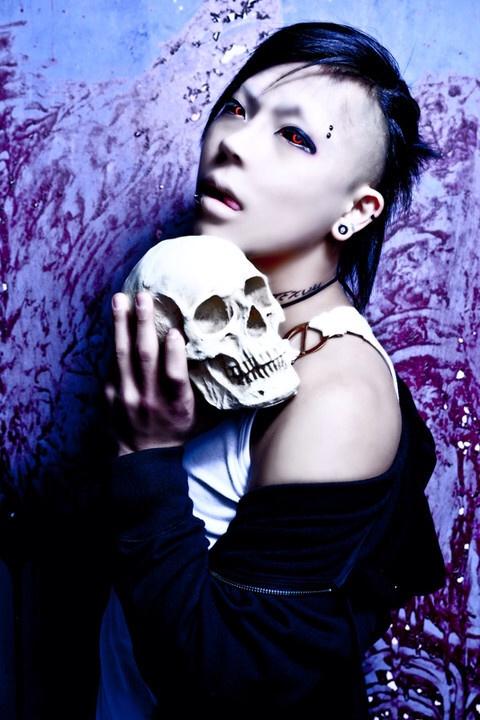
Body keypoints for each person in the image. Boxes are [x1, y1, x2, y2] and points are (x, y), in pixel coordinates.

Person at [97, 22, 446, 718]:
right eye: (236, 108)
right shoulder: (202, 309)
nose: (234, 142)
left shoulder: (337, 392)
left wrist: (146, 454)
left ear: (355, 211)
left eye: (294, 136)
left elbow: (232, 678)